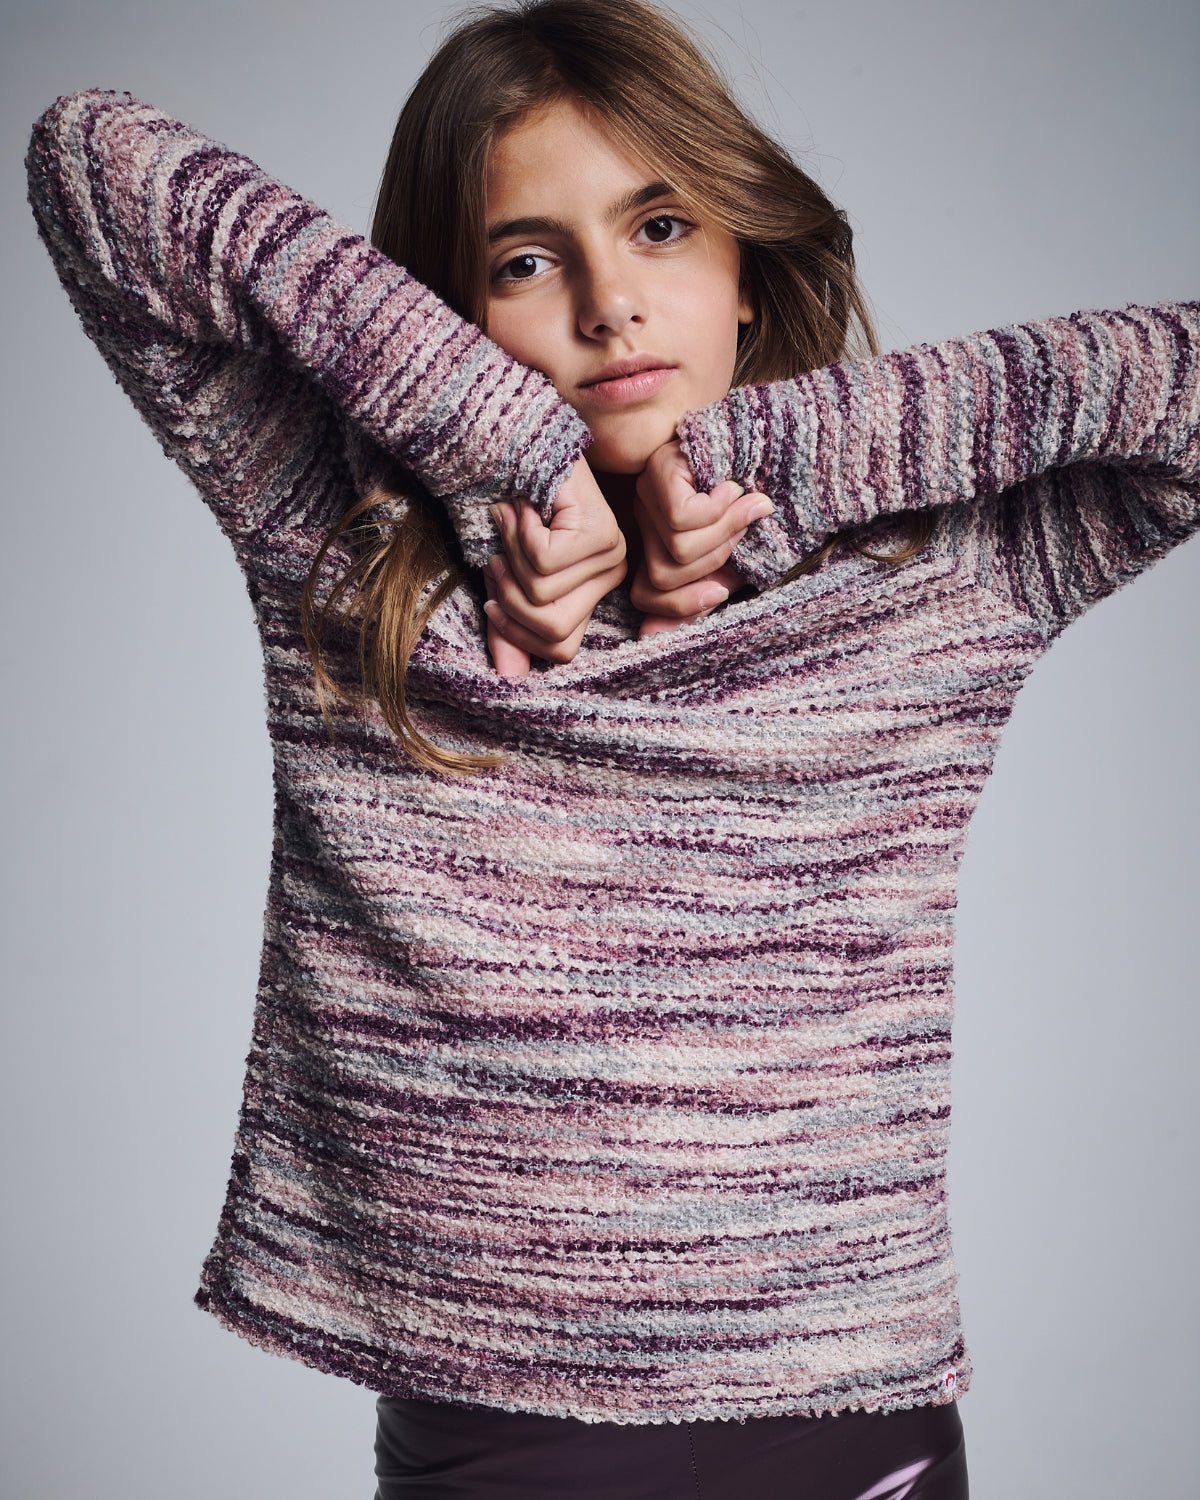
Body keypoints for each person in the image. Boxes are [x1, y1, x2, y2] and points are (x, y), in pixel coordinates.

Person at [25, 0, 1197, 1496]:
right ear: (439, 318)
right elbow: (93, 168)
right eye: (525, 259)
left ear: (743, 269)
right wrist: (498, 448)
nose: (609, 305)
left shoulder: (927, 588)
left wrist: (771, 460)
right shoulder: (348, 558)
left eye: (659, 227)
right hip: (492, 1448)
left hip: (841, 1434)